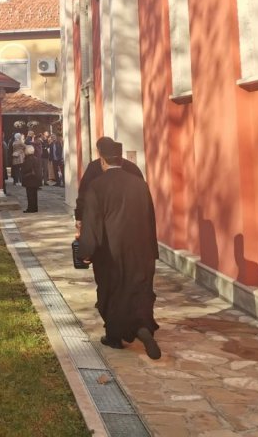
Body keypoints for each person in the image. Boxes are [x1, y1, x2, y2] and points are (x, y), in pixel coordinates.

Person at [76, 138, 161, 360]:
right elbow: (150, 218)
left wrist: (86, 251)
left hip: (110, 249)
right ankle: (142, 326)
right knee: (138, 288)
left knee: (111, 289)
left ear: (103, 160)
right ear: (120, 159)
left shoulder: (97, 186)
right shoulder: (139, 184)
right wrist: (152, 249)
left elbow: (92, 223)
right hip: (140, 248)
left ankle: (114, 336)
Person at [75, 136, 146, 227]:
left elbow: (84, 192)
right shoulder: (132, 167)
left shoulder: (93, 167)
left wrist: (79, 216)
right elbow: (142, 194)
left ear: (99, 151)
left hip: (103, 219)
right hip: (131, 218)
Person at [20, 144, 42, 212]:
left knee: (30, 195)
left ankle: (30, 208)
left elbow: (26, 169)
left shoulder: (28, 159)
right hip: (35, 179)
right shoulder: (36, 158)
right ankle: (35, 208)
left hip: (30, 179)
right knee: (34, 194)